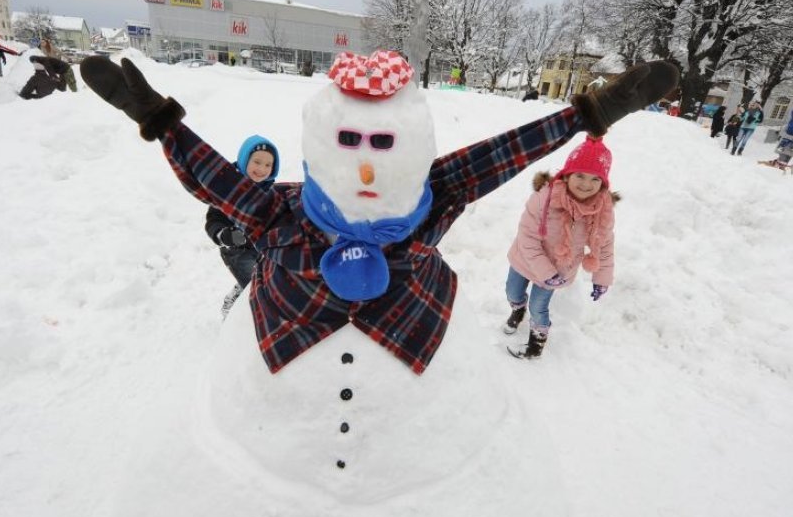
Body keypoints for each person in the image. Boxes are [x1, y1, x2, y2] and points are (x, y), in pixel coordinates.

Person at [79, 53, 677, 374]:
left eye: (385, 148)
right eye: (349, 148)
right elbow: (218, 183)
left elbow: (500, 155)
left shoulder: (431, 200)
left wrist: (584, 116)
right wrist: (162, 124)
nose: (366, 173)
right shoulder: (282, 212)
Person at [503, 136, 617, 359]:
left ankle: (536, 344)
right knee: (512, 291)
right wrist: (546, 272)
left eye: (595, 179)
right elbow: (527, 237)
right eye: (580, 175)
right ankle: (517, 310)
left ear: (603, 183)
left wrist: (602, 278)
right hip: (525, 259)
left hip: (559, 267)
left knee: (539, 306)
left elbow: (604, 244)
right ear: (567, 173)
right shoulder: (545, 198)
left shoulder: (601, 209)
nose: (586, 185)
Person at [205, 135, 280, 316]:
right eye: (257, 162)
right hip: (236, 249)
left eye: (268, 165)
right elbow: (213, 220)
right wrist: (224, 235)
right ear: (244, 160)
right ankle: (237, 302)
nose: (262, 169)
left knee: (272, 280)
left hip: (261, 245)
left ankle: (244, 286)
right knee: (256, 286)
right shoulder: (226, 190)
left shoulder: (270, 191)